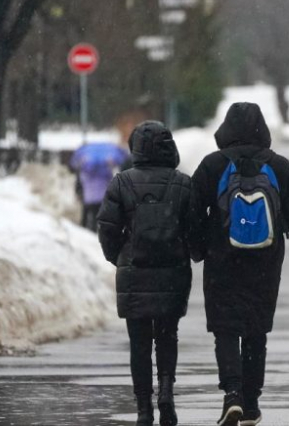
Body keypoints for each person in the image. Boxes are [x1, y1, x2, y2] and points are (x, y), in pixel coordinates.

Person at [189, 102, 289, 426]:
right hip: (266, 263)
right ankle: (252, 403)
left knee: (225, 328)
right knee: (256, 330)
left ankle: (232, 394)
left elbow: (193, 212)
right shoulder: (279, 166)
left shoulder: (212, 165)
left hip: (222, 260)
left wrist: (201, 248)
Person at [97, 121, 192, 426]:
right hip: (172, 272)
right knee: (167, 337)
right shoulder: (182, 183)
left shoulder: (121, 183)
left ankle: (143, 409)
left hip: (134, 273)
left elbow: (107, 230)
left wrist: (120, 258)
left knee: (138, 343)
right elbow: (195, 231)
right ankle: (166, 392)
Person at [71, 142, 130, 231]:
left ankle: (85, 231)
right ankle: (95, 232)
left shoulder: (85, 170)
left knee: (87, 215)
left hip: (89, 198)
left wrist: (78, 192)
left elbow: (80, 182)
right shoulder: (106, 170)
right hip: (101, 198)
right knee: (99, 217)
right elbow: (111, 180)